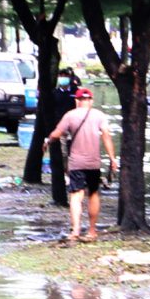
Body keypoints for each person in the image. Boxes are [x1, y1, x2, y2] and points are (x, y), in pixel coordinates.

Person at [46, 86, 113, 242]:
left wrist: (48, 140)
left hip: (77, 163)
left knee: (76, 196)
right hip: (94, 163)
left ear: (77, 101)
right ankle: (92, 231)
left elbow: (57, 133)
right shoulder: (99, 115)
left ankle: (76, 230)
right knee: (93, 194)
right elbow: (106, 136)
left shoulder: (70, 115)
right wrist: (112, 158)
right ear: (91, 101)